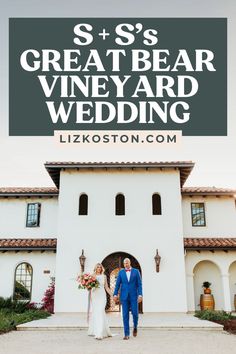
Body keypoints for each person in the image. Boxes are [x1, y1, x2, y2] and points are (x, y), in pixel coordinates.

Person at [113, 258, 143, 340]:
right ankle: (126, 334)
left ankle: (135, 326)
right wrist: (115, 294)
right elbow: (117, 284)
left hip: (134, 296)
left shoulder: (136, 271)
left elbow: (139, 284)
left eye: (127, 262)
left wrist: (140, 295)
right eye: (124, 263)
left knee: (135, 313)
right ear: (123, 264)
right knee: (125, 315)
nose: (126, 264)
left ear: (130, 263)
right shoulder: (121, 272)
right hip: (124, 296)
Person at [87, 263, 113, 340]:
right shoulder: (92, 276)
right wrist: (88, 286)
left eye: (100, 267)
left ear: (102, 268)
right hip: (95, 295)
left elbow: (107, 288)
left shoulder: (104, 276)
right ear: (95, 268)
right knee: (96, 312)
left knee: (101, 311)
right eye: (97, 267)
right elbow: (89, 287)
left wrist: (112, 295)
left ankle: (100, 333)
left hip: (102, 295)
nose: (99, 268)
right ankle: (96, 331)